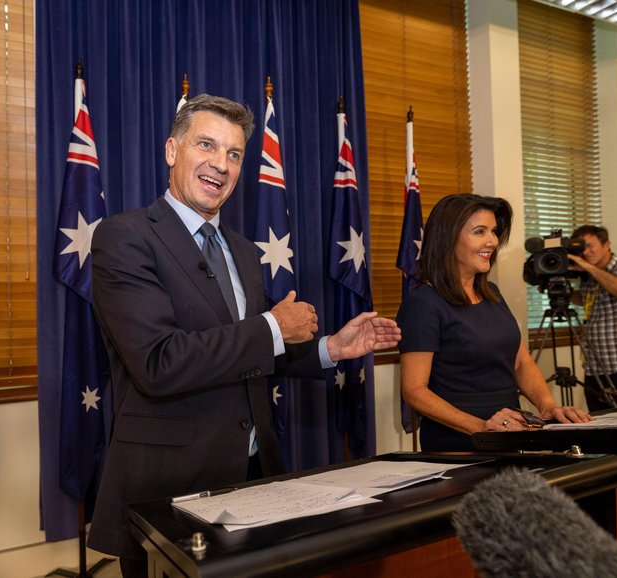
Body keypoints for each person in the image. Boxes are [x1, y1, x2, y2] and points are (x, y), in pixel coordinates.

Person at [86, 93, 401, 576]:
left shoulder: (243, 252)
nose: (220, 164)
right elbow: (158, 363)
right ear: (172, 151)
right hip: (168, 487)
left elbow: (252, 355)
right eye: (206, 146)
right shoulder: (125, 237)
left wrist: (330, 348)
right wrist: (274, 325)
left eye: (234, 154)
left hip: (255, 477)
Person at [396, 193, 590, 452]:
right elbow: (414, 390)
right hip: (461, 443)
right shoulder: (424, 302)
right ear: (447, 239)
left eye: (494, 232)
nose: (492, 241)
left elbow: (520, 361)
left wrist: (548, 407)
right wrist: (482, 428)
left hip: (510, 435)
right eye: (480, 231)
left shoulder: (493, 293)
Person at [568, 225, 617, 411]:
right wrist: (558, 289)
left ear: (606, 244)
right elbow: (584, 300)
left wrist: (587, 267)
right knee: (599, 425)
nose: (586, 251)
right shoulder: (589, 276)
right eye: (582, 247)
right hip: (594, 366)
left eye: (590, 245)